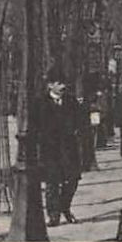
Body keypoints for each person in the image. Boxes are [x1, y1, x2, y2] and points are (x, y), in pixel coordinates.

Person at [34, 69, 83, 225]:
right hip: (50, 150)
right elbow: (37, 127)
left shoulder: (71, 101)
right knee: (52, 183)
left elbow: (80, 122)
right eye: (59, 83)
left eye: (64, 83)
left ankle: (65, 207)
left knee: (73, 180)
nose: (63, 86)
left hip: (69, 149)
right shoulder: (40, 103)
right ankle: (54, 214)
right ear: (50, 85)